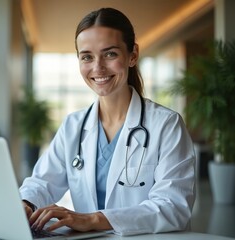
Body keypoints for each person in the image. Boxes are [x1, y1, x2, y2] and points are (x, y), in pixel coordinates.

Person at [19, 7, 195, 236]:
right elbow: (42, 182)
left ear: (132, 55)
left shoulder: (166, 125)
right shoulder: (74, 126)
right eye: (87, 57)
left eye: (110, 54)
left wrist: (92, 219)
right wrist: (26, 204)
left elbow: (173, 207)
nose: (98, 67)